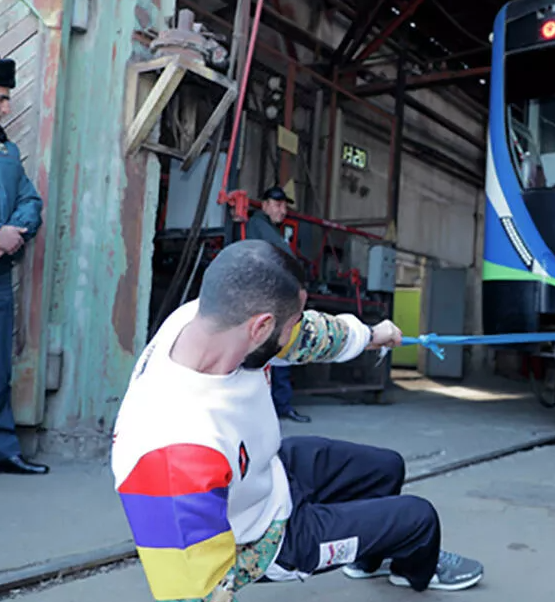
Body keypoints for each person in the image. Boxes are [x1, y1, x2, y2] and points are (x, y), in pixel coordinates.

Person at [111, 240, 483, 601]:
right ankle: (413, 569)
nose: (297, 330)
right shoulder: (173, 455)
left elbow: (308, 336)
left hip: (265, 474)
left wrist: (370, 335)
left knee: (387, 468)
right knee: (419, 518)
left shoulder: (212, 318)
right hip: (268, 538)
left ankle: (370, 560)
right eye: (291, 322)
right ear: (261, 327)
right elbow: (196, 592)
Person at [0, 58, 46, 476]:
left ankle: (4, 449)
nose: (6, 108)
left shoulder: (8, 151)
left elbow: (31, 199)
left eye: (8, 100)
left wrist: (17, 229)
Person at [245, 185, 309, 423]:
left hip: (271, 295)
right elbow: (283, 253)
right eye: (278, 204)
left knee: (279, 349)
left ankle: (280, 405)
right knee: (272, 349)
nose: (283, 210)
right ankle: (275, 406)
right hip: (263, 295)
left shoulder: (270, 228)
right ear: (265, 205)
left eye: (284, 206)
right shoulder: (259, 223)